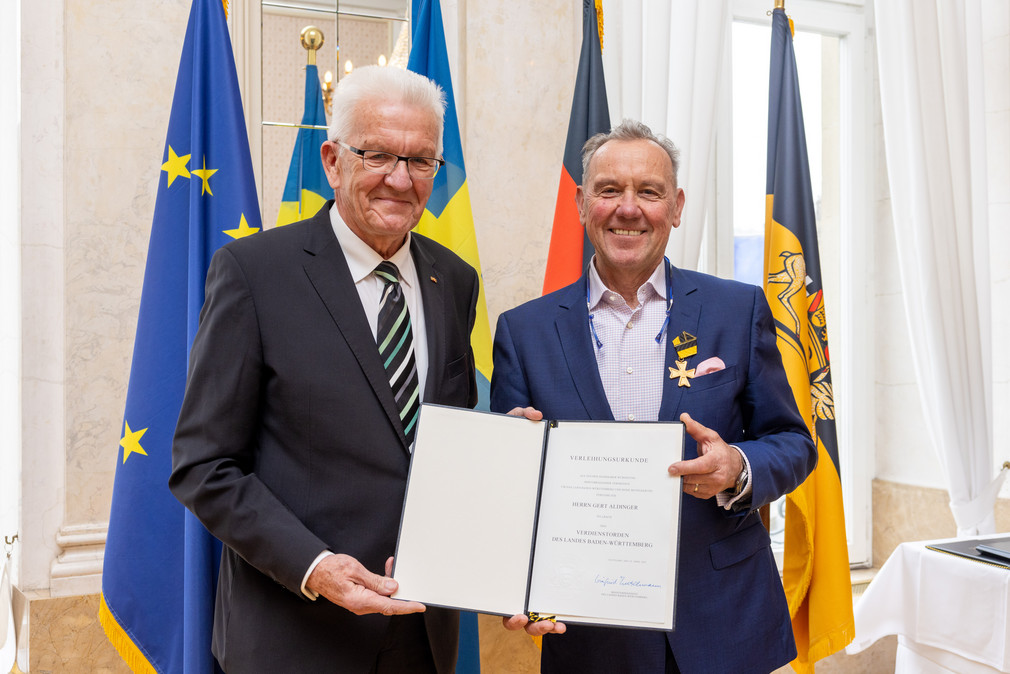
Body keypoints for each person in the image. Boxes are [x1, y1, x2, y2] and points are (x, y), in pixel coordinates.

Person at [169, 65, 480, 673]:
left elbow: (445, 439)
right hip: (295, 634)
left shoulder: (454, 281)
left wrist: (503, 447)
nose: (401, 178)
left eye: (421, 161)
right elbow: (204, 465)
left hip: (422, 637)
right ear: (333, 161)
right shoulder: (254, 274)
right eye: (379, 155)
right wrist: (315, 566)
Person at [490, 119, 817, 673]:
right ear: (581, 202)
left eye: (649, 191)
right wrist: (517, 461)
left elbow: (793, 441)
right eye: (609, 190)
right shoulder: (524, 331)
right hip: (589, 633)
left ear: (678, 205)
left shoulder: (737, 310)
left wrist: (737, 465)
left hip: (724, 622)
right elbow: (512, 496)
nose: (628, 208)